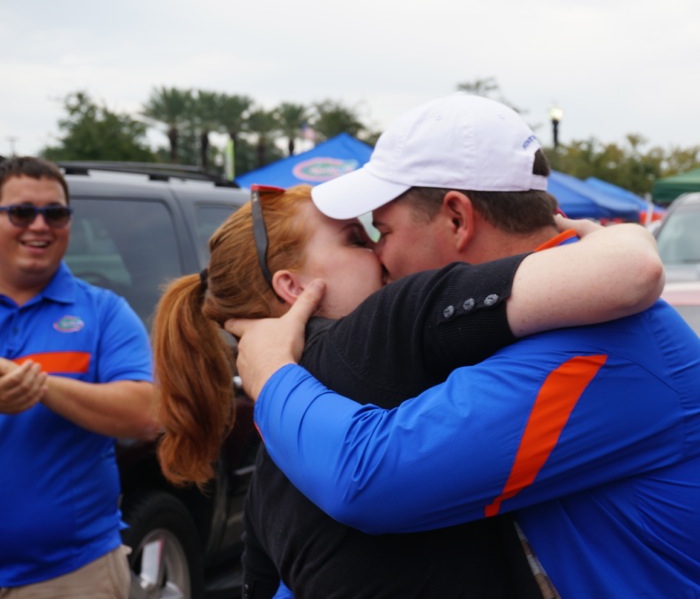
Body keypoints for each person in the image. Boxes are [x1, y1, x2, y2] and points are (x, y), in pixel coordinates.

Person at [227, 94, 700, 598]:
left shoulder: (599, 348)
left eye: (382, 231)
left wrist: (272, 372)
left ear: (457, 218)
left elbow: (372, 480)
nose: (381, 256)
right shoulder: (545, 322)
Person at [153, 180, 663, 598]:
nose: (378, 250)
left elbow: (263, 585)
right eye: (356, 239)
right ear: (293, 286)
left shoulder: (277, 443)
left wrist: (272, 376)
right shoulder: (391, 322)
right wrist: (626, 237)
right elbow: (629, 274)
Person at [0, 157, 159, 599]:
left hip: (72, 574)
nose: (39, 225)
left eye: (55, 213)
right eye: (20, 212)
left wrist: (39, 386)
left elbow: (145, 415)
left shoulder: (104, 312)